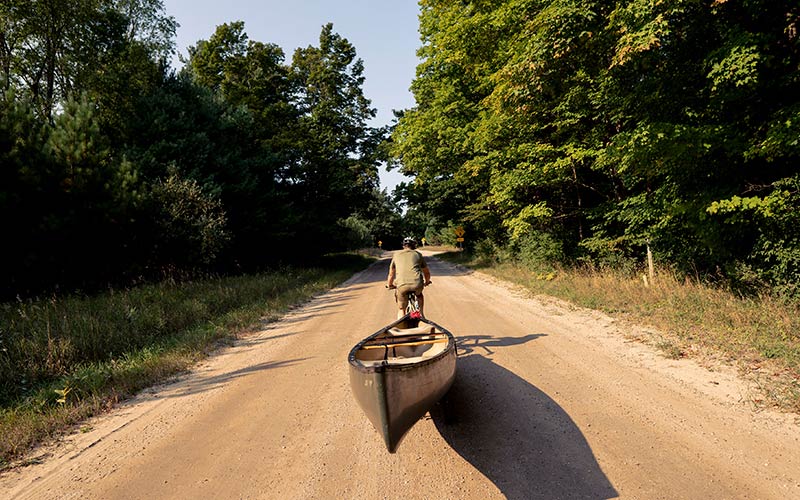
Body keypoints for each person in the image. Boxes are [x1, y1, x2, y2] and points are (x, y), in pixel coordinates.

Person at [387, 237, 432, 319]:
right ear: (414, 245)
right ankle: (422, 314)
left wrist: (390, 285)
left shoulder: (396, 255)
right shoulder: (418, 254)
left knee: (401, 308)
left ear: (404, 246)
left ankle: (401, 321)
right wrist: (427, 281)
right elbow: (426, 272)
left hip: (402, 285)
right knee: (419, 295)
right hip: (417, 284)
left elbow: (391, 274)